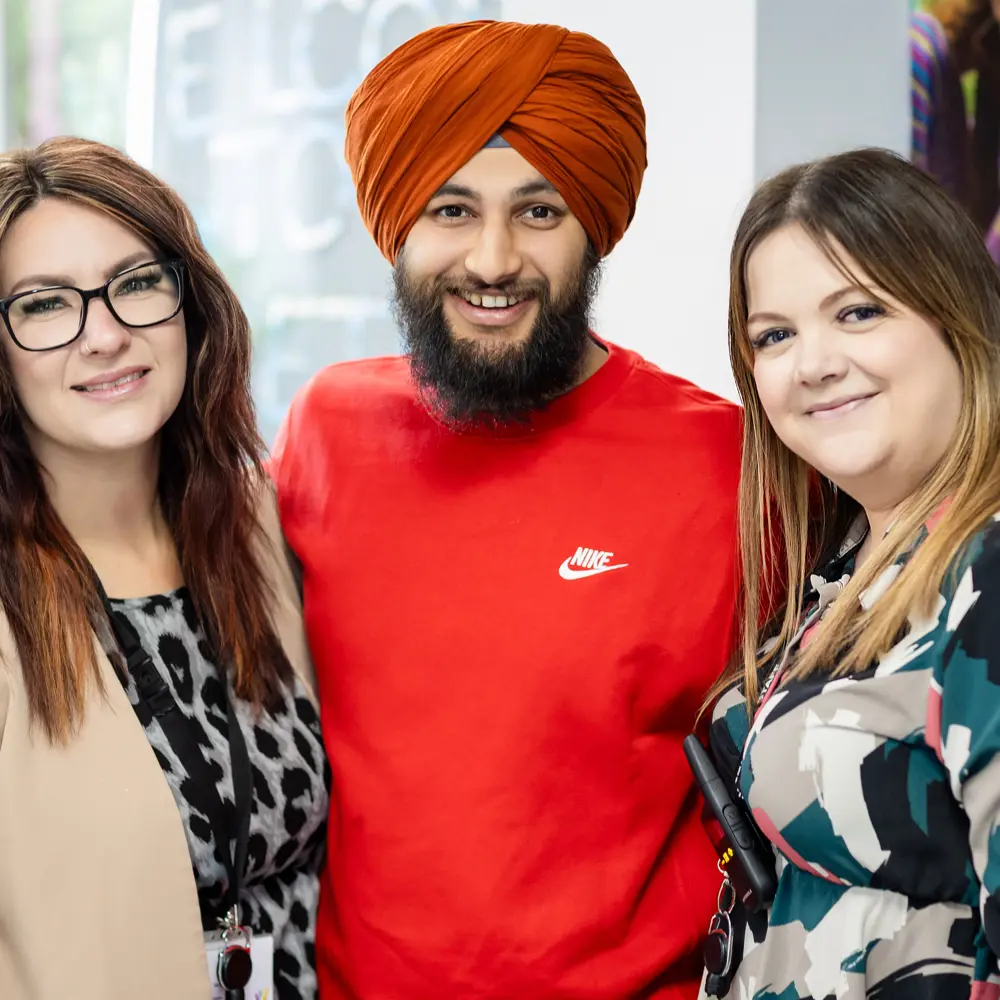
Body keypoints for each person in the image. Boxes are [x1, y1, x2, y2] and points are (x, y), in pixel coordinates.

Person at [271, 18, 743, 1000]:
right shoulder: (325, 429)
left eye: (537, 210)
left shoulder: (725, 464)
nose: (492, 259)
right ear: (397, 225)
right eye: (451, 209)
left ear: (593, 227)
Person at [0, 137, 329, 1000]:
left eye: (137, 283)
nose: (106, 335)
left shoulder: (258, 526)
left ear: (190, 304)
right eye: (44, 304)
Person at [698, 146, 1000, 998]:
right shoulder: (843, 566)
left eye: (859, 312)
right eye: (775, 335)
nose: (813, 364)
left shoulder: (986, 570)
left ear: (956, 318)